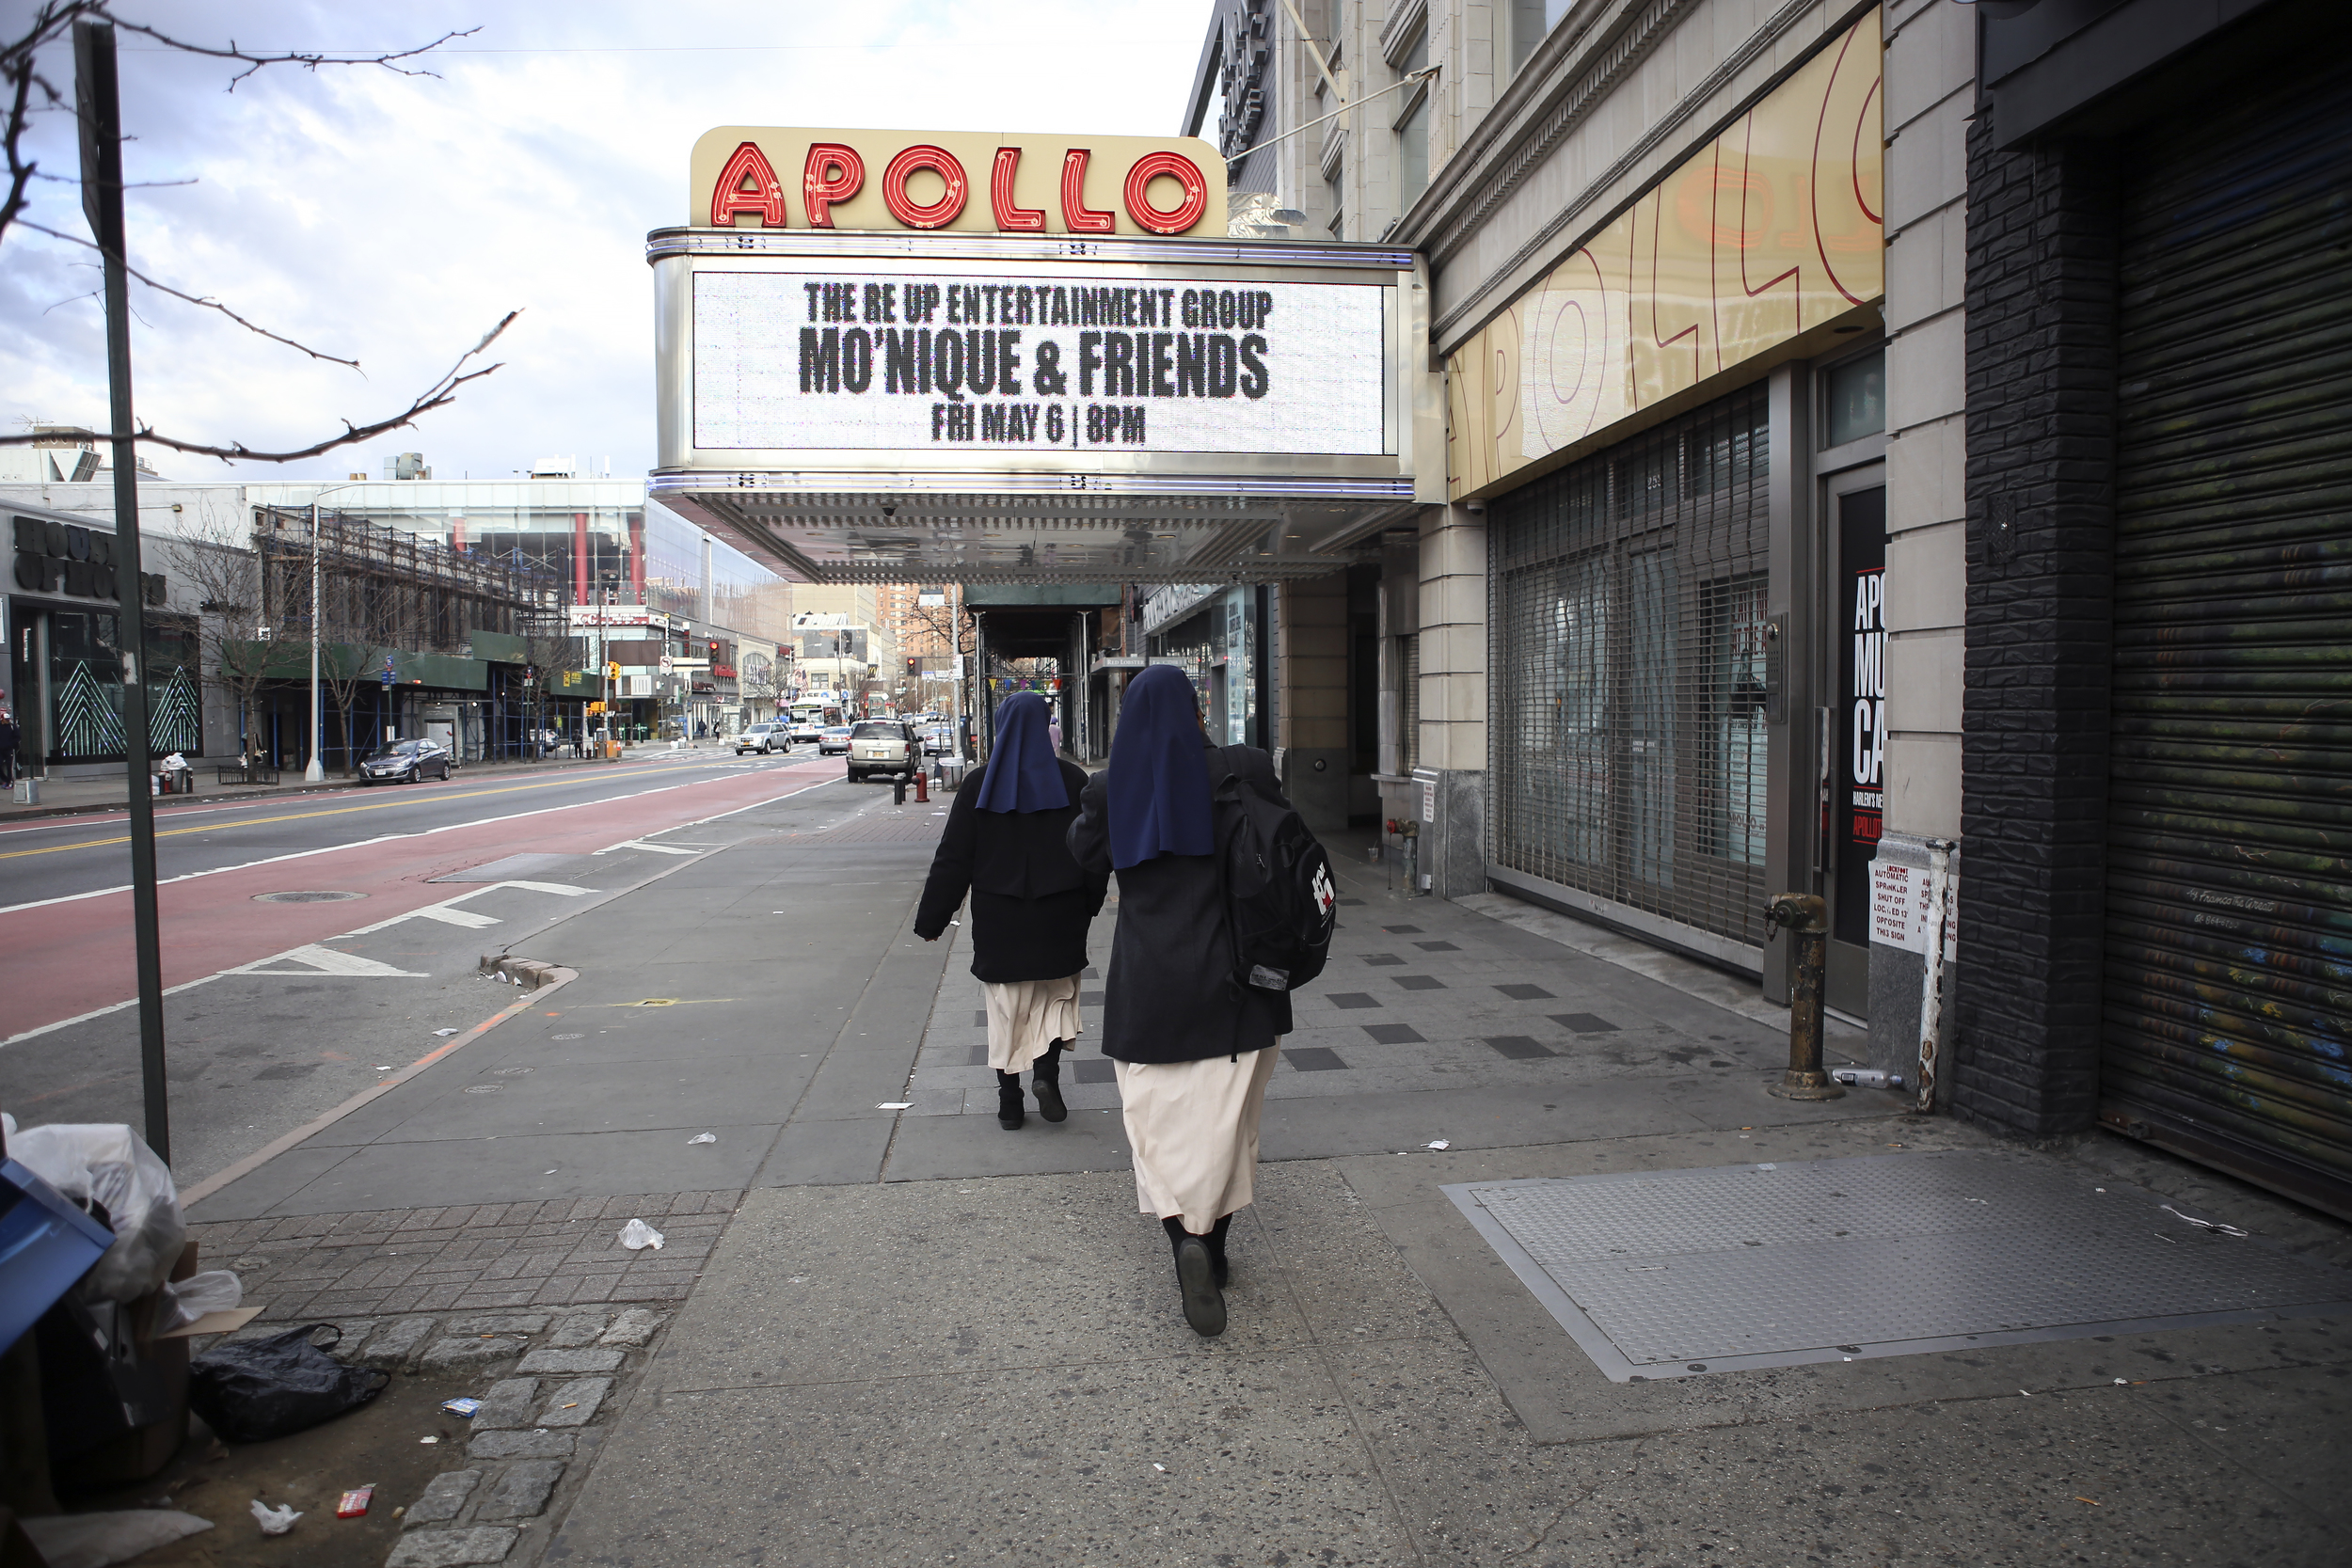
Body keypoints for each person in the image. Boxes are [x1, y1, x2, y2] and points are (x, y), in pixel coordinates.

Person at [1067, 663, 1291, 1338]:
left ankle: (1182, 1242)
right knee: (1225, 1127)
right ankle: (1213, 1250)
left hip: (1150, 991)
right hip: (1239, 987)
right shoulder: (1244, 768)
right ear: (1197, 710)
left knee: (1158, 1132)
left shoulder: (1109, 791)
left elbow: (1081, 860)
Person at [914, 691, 1104, 1131]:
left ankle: (1009, 1100)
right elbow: (1095, 853)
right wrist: (1089, 904)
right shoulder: (1074, 781)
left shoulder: (980, 785)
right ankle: (1046, 1074)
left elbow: (954, 858)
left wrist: (932, 921)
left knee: (1005, 1011)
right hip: (1059, 917)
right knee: (1055, 1000)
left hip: (1000, 920)